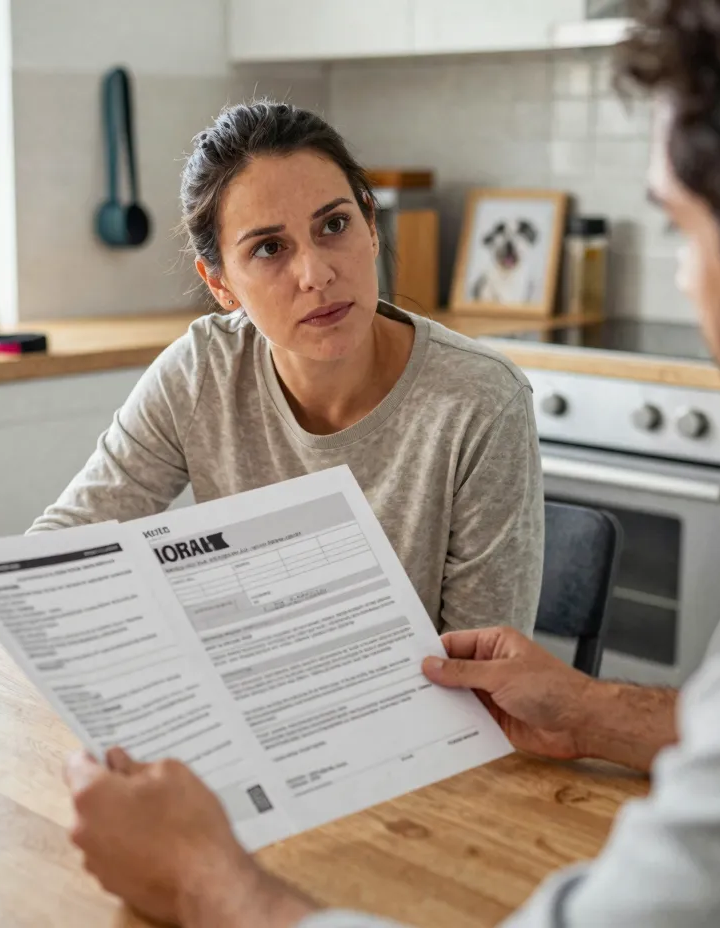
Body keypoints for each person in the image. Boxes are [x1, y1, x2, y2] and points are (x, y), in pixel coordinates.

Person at [61, 2, 720, 926]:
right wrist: (592, 709)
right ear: (221, 280)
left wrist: (201, 879)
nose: (682, 282)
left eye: (681, 232)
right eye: (269, 249)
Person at [28, 101, 543, 636]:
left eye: (334, 225)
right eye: (269, 248)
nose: (315, 274)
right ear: (219, 283)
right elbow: (64, 545)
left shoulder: (481, 400)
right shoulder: (202, 372)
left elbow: (487, 665)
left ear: (371, 226)